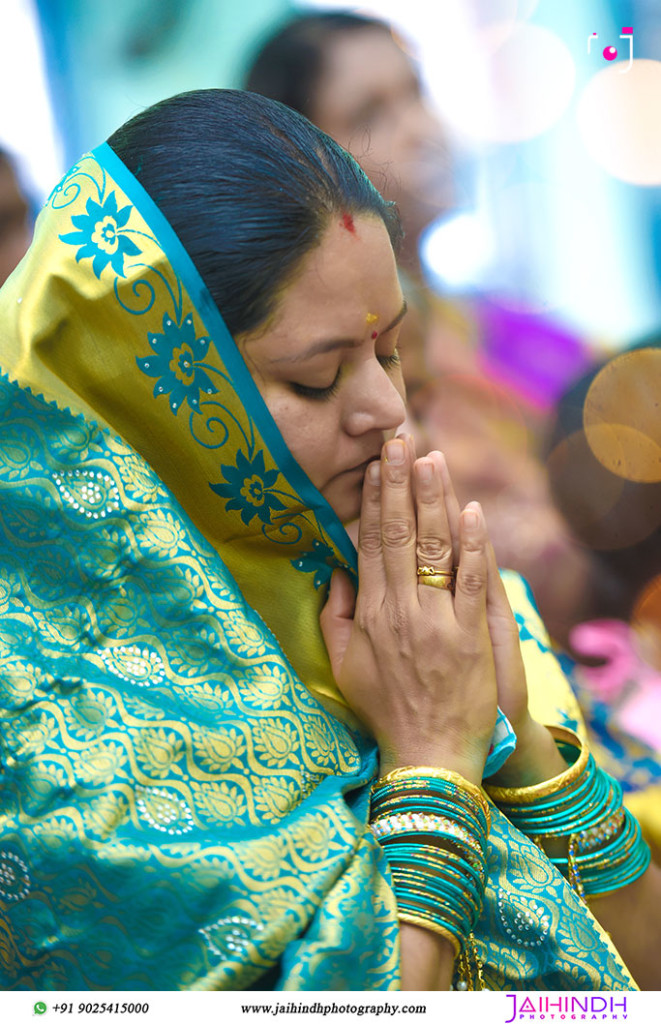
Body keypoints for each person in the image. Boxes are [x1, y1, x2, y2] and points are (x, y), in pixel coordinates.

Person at [0, 89, 659, 992]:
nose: (387, 412)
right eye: (316, 380)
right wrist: (432, 755)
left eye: (390, 353)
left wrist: (520, 744)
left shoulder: (411, 603)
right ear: (152, 397)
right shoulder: (50, 728)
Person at [243, 10, 596, 650]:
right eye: (373, 115)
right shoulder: (346, 392)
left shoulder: (507, 324)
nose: (422, 130)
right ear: (303, 173)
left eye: (417, 93)